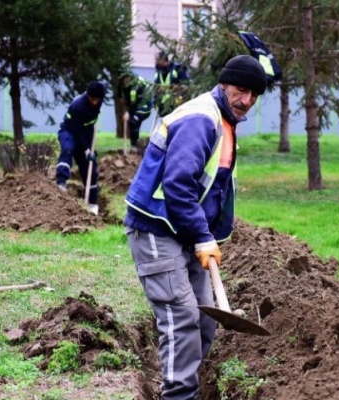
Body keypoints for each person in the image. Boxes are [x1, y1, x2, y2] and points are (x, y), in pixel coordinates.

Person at [123, 55, 267, 400]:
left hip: (184, 230)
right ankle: (178, 394)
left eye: (253, 95)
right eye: (240, 90)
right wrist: (202, 236)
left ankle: (191, 384)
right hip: (157, 227)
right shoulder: (202, 119)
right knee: (181, 314)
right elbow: (177, 184)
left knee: (205, 318)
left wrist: (205, 234)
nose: (246, 100)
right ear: (224, 85)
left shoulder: (224, 120)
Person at [55, 81, 107, 215]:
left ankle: (92, 204)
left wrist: (90, 149)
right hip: (69, 131)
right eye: (92, 99)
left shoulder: (98, 100)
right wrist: (86, 149)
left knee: (90, 165)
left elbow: (89, 127)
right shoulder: (78, 105)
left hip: (84, 134)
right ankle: (61, 182)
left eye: (98, 100)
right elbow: (77, 131)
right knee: (68, 148)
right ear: (88, 95)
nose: (95, 102)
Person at [119, 71, 152, 153]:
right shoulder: (124, 84)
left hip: (144, 107)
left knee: (134, 121)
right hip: (136, 107)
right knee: (132, 123)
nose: (125, 81)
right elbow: (121, 93)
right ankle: (135, 145)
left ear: (130, 77)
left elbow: (134, 103)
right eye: (124, 79)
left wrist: (128, 113)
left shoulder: (137, 85)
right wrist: (122, 99)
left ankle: (136, 146)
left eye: (127, 78)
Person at [153, 51, 189, 118]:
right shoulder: (158, 72)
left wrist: (178, 88)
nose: (156, 62)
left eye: (157, 60)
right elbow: (156, 89)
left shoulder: (177, 69)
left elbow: (186, 86)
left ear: (163, 60)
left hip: (176, 105)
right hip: (163, 106)